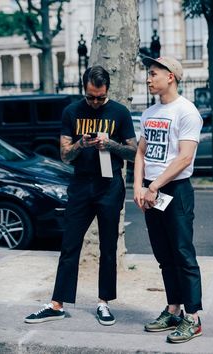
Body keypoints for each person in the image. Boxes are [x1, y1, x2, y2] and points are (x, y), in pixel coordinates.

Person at [25, 65, 137, 326]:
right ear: (83, 89)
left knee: (108, 247)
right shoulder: (72, 112)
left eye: (100, 97)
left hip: (110, 186)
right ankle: (57, 304)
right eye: (90, 96)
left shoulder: (119, 112)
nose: (95, 102)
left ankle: (104, 303)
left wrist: (109, 144)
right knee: (69, 244)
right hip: (80, 185)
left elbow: (133, 152)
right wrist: (81, 144)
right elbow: (64, 155)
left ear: (107, 90)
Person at [134, 56, 203, 343]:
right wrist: (138, 186)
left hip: (175, 190)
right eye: (148, 74)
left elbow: (185, 157)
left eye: (153, 74)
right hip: (152, 190)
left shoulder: (187, 112)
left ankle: (193, 317)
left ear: (170, 76)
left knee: (183, 254)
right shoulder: (149, 112)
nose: (148, 79)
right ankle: (173, 309)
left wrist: (155, 186)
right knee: (164, 256)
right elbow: (141, 152)